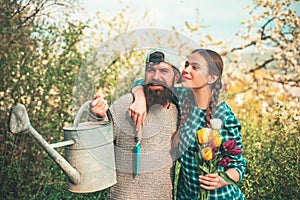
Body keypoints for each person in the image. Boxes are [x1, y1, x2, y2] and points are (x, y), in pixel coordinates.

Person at [130, 49, 246, 199]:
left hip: (220, 197)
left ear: (211, 78)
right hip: (186, 196)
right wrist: (139, 98)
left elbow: (239, 166)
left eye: (194, 67)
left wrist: (222, 179)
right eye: (186, 65)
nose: (186, 70)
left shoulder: (224, 116)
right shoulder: (182, 98)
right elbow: (146, 83)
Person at [89, 47, 181, 199]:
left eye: (164, 71)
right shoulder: (125, 105)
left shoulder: (178, 111)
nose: (155, 77)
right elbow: (96, 147)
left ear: (176, 77)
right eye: (151, 70)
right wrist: (96, 116)